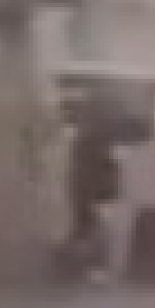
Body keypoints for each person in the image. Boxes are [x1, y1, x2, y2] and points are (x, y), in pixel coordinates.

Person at [61, 97, 123, 278]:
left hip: (89, 191)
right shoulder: (89, 142)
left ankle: (80, 261)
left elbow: (105, 170)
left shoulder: (86, 142)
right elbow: (108, 169)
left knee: (86, 224)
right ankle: (83, 261)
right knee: (87, 224)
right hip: (90, 191)